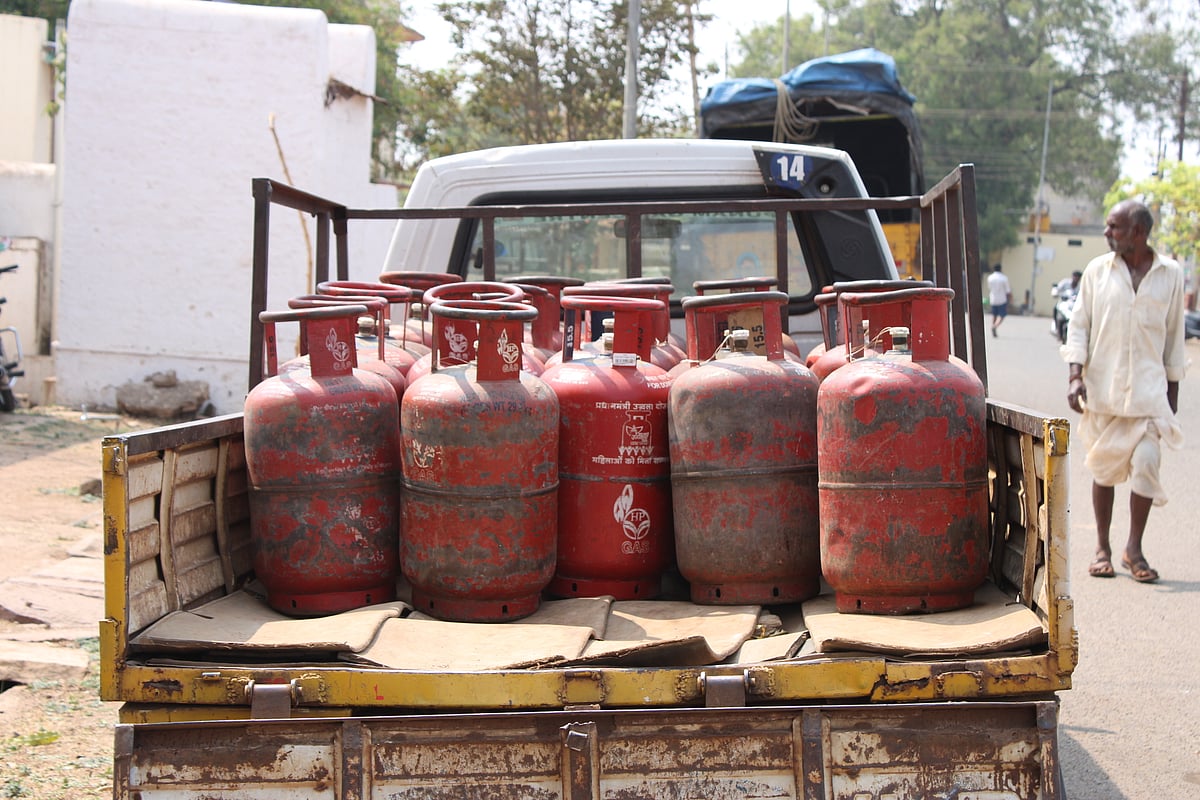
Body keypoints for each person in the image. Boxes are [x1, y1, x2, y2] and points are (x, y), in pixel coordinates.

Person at [1062, 199, 1186, 583]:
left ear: (1138, 232)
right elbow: (1078, 325)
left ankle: (1134, 548)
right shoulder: (1097, 272)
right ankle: (1102, 547)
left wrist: (1173, 394)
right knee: (1103, 470)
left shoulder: (1170, 274)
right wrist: (1075, 376)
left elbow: (1174, 336)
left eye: (1114, 227)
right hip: (1105, 392)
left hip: (1149, 395)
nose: (1106, 233)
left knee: (1147, 464)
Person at [986, 263, 1012, 337]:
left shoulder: (990, 277)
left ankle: (993, 326)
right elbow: (1008, 290)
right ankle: (995, 326)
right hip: (1002, 299)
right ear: (1001, 269)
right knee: (1002, 315)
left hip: (993, 298)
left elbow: (989, 288)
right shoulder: (1004, 278)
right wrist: (1010, 298)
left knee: (994, 314)